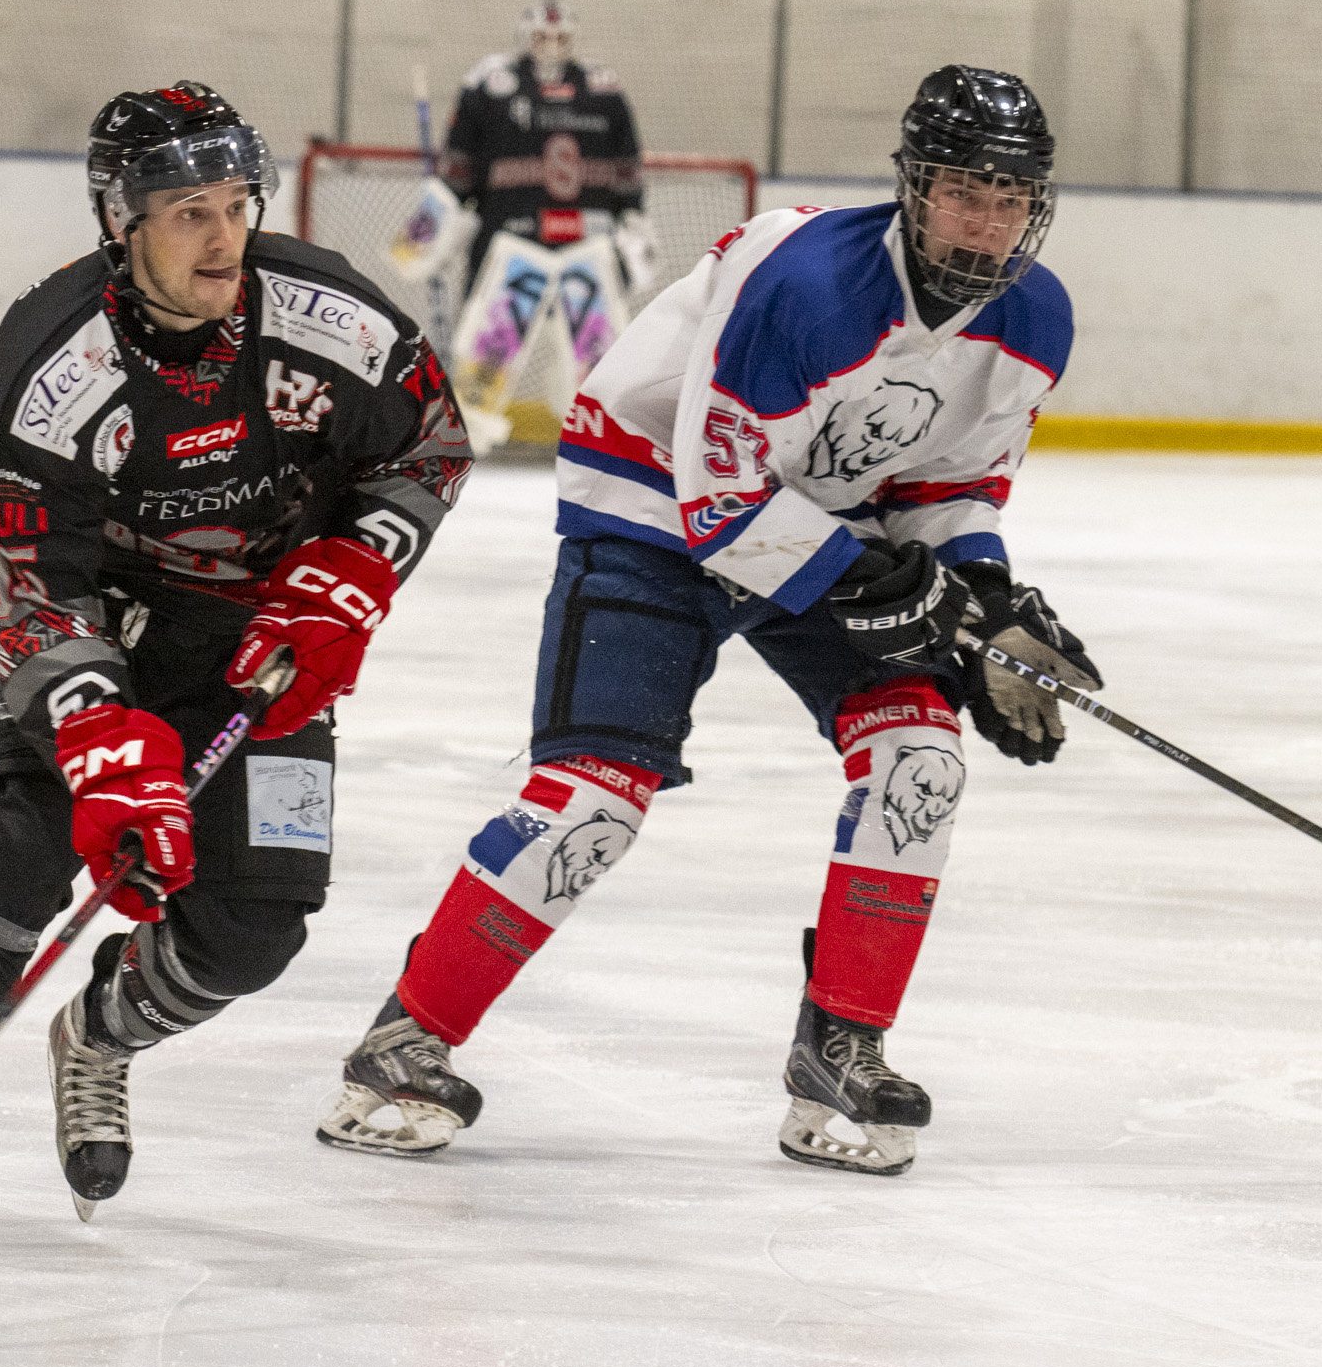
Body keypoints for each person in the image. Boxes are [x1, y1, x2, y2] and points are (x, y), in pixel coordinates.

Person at [315, 64, 1099, 1178]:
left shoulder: (1035, 317)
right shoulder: (809, 283)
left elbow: (953, 485)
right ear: (914, 188)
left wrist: (985, 600)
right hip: (649, 504)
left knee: (921, 756)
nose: (991, 220)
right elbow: (721, 506)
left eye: (1012, 196)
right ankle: (400, 1046)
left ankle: (842, 1047)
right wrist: (889, 588)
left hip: (814, 511)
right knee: (595, 801)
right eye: (966, 191)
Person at [0, 81, 472, 1259]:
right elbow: (11, 569)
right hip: (86, 628)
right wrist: (97, 732)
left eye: (235, 204)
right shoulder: (47, 362)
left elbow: (428, 445)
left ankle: (103, 1033)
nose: (223, 236)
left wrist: (355, 569)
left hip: (257, 642)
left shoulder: (330, 316)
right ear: (121, 224)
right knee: (25, 844)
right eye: (186, 212)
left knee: (257, 921)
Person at [439, 0, 645, 290]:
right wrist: (445, 212)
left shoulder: (604, 88)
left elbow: (627, 167)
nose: (551, 45)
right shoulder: (489, 82)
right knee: (497, 333)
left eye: (561, 38)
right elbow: (459, 166)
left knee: (592, 334)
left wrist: (632, 215)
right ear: (524, 39)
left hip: (586, 246)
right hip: (506, 240)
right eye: (541, 37)